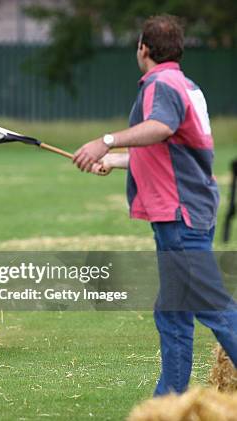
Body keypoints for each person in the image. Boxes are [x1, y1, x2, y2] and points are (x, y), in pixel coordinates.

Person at [73, 14, 237, 396]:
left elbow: (160, 128)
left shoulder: (160, 84)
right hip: (185, 212)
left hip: (179, 216)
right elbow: (171, 150)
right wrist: (116, 162)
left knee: (211, 305)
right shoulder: (185, 83)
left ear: (143, 48)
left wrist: (107, 141)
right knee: (172, 312)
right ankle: (169, 403)